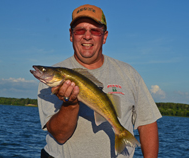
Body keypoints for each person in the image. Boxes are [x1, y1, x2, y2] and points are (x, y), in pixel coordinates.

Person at [38, 4, 162, 158]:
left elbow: (147, 123)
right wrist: (69, 105)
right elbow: (60, 136)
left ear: (105, 36)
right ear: (71, 35)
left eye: (95, 30)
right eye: (80, 30)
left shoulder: (130, 74)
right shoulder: (51, 81)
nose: (87, 36)